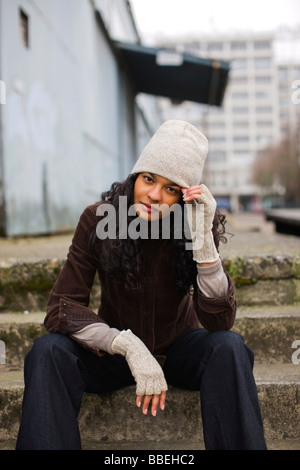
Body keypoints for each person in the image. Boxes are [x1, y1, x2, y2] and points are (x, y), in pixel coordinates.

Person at [16, 120, 267, 450]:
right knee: (47, 351)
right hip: (112, 351)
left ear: (183, 197)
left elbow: (219, 321)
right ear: (136, 176)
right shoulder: (98, 218)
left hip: (178, 348)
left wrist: (204, 243)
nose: (154, 195)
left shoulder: (193, 225)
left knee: (230, 346)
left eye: (171, 188)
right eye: (149, 179)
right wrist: (126, 345)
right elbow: (61, 309)